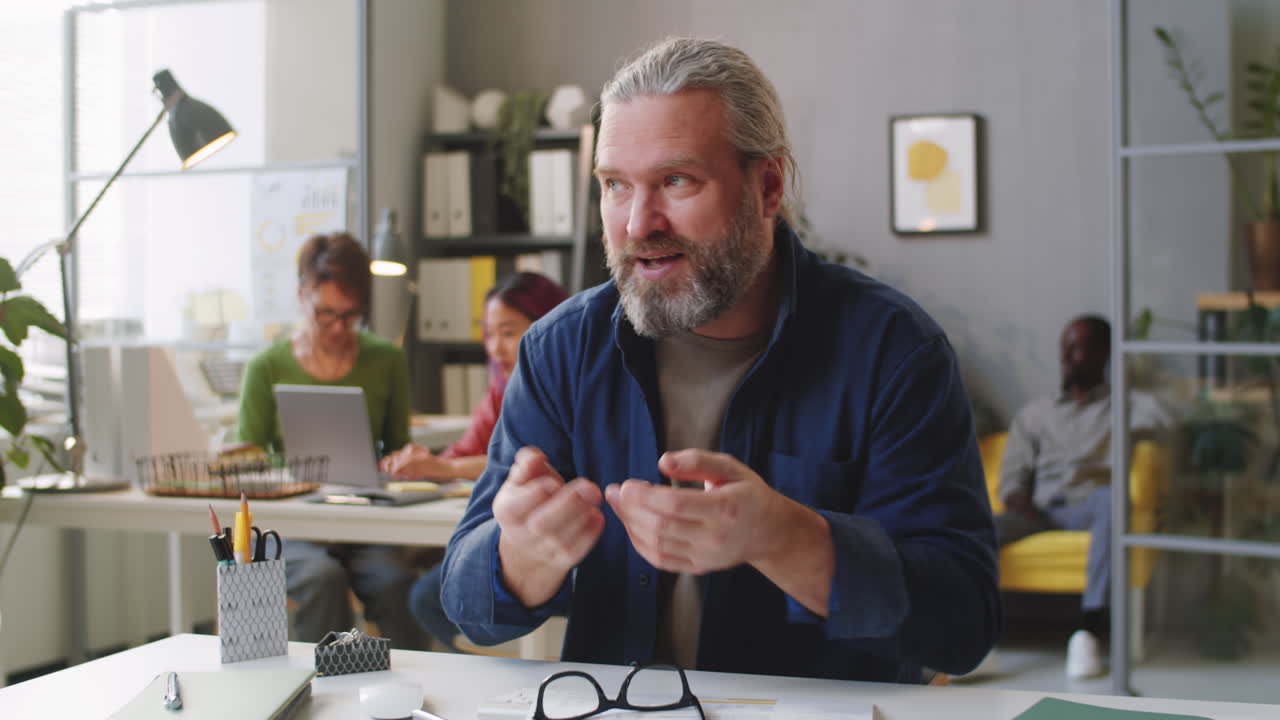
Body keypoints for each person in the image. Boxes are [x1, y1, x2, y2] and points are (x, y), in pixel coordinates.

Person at [439, 37, 1000, 683]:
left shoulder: (893, 352)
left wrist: (787, 538)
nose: (637, 223)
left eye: (676, 180)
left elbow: (964, 626)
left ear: (767, 186)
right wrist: (521, 557)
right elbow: (465, 605)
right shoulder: (560, 349)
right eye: (615, 186)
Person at [236, 231, 427, 650]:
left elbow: (399, 450)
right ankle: (326, 695)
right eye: (326, 314)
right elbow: (248, 459)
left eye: (350, 315)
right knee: (322, 579)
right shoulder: (266, 366)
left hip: (363, 521)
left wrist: (398, 466)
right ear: (302, 295)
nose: (339, 327)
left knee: (397, 584)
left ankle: (413, 693)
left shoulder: (386, 360)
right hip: (295, 524)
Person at [379, 272, 569, 650]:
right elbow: (467, 452)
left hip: (555, 545)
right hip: (502, 541)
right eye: (489, 333)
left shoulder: (561, 388)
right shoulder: (500, 389)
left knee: (429, 596)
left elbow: (531, 464)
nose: (496, 347)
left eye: (509, 332)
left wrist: (446, 469)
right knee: (429, 593)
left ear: (548, 326)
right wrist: (426, 464)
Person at [995, 315, 1169, 679]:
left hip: (1091, 506)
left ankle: (1088, 630)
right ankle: (970, 629)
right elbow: (1013, 476)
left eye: (1078, 347)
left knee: (1110, 501)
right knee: (977, 528)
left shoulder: (1125, 405)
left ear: (1103, 353)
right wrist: (1017, 500)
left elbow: (1166, 425)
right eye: (1064, 347)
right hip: (1038, 510)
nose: (1068, 356)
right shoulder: (1036, 414)